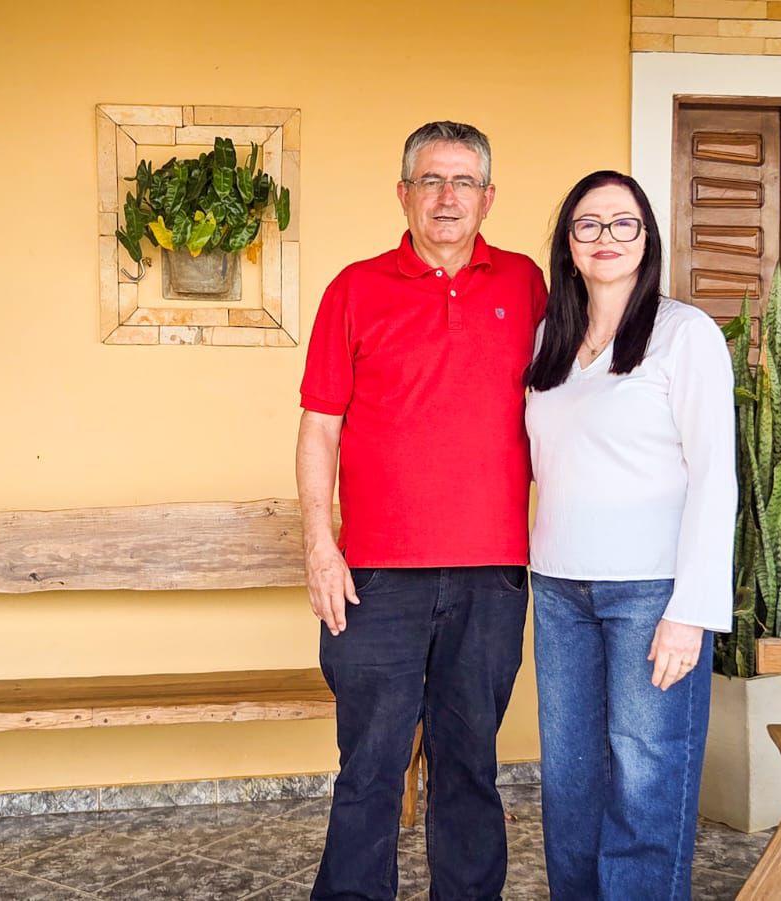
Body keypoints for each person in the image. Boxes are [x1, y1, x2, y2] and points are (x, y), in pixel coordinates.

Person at [296, 121, 548, 901]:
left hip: (492, 573)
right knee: (370, 765)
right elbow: (320, 426)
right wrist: (320, 546)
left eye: (463, 181)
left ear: (488, 197)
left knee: (470, 764)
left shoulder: (526, 284)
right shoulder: (354, 288)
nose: (447, 197)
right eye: (431, 180)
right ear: (403, 194)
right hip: (375, 576)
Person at [524, 170, 738, 900]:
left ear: (647, 238)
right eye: (588, 224)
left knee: (648, 777)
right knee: (571, 779)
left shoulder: (685, 334)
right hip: (559, 588)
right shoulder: (550, 338)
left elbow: (715, 477)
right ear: (568, 243)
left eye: (623, 223)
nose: (606, 237)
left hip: (652, 593)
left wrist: (691, 610)